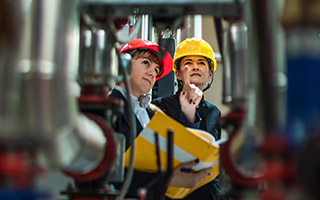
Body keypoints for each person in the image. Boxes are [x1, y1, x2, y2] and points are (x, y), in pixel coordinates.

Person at [110, 38, 213, 198]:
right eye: (146, 63)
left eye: (157, 70)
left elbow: (177, 154)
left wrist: (188, 112)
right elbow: (104, 171)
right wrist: (166, 179)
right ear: (123, 64)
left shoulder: (152, 113)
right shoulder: (107, 108)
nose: (152, 73)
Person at [152, 37, 223, 200]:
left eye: (201, 63)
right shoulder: (159, 107)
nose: (195, 67)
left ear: (210, 73)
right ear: (177, 73)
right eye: (188, 62)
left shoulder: (214, 112)